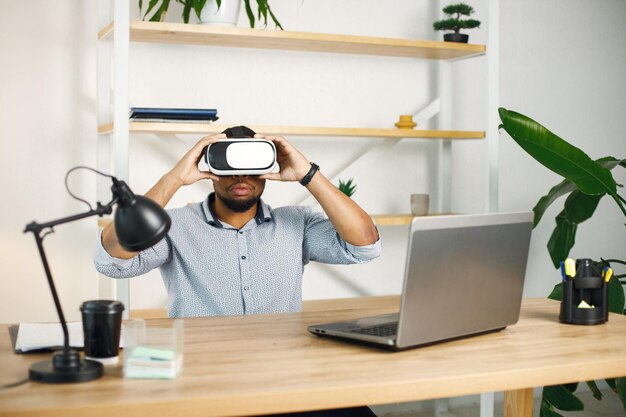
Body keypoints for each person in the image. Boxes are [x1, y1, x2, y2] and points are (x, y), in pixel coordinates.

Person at [94, 126, 381, 318]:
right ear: (211, 166)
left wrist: (307, 173)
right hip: (202, 371)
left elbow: (365, 246)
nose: (241, 176)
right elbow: (112, 260)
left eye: (251, 166)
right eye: (231, 166)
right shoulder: (175, 226)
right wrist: (174, 179)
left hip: (280, 365)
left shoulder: (297, 223)